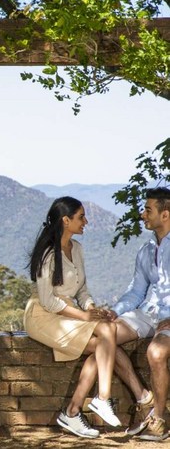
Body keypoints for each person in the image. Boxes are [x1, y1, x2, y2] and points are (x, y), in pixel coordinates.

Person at [24, 196, 122, 438]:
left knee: (104, 340)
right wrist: (84, 316)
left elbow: (82, 290)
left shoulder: (77, 249)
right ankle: (102, 398)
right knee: (107, 333)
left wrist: (93, 309)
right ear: (66, 221)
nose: (86, 221)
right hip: (44, 317)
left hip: (67, 314)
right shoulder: (48, 254)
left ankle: (73, 411)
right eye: (81, 217)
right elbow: (48, 301)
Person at [108, 187, 170, 441]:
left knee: (155, 352)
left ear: (165, 214)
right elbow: (136, 291)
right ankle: (145, 399)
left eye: (148, 210)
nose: (142, 214)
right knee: (101, 336)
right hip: (148, 313)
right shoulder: (145, 250)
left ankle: (161, 421)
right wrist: (114, 312)